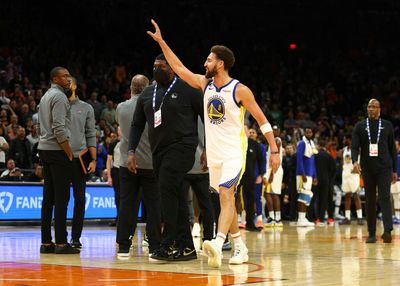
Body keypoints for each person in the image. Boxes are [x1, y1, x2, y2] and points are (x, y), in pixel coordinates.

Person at [147, 19, 280, 268]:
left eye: (208, 60)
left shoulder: (240, 90)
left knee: (227, 195)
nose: (204, 63)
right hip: (215, 154)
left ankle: (218, 243)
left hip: (233, 153)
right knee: (224, 200)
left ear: (220, 63)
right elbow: (177, 67)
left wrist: (274, 149)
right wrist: (162, 42)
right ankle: (239, 246)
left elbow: (262, 121)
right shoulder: (204, 84)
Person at [128, 54, 203, 261]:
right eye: (154, 65)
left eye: (161, 65)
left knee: (166, 193)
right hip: (158, 152)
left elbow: (206, 118)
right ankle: (187, 247)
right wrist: (131, 151)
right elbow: (136, 125)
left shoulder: (188, 89)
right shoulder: (147, 94)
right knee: (176, 195)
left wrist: (207, 149)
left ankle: (167, 243)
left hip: (183, 148)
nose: (157, 68)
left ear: (172, 69)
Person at [116, 74, 161, 258]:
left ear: (132, 88)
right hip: (150, 163)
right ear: (147, 88)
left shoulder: (120, 108)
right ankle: (154, 246)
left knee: (127, 204)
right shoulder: (154, 107)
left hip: (127, 162)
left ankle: (124, 246)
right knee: (153, 206)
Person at [38, 67, 79, 254]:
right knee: (62, 198)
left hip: (44, 149)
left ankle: (46, 242)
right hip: (57, 150)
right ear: (55, 78)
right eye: (64, 76)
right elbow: (59, 128)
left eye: (69, 76)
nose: (68, 79)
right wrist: (69, 152)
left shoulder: (45, 96)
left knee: (48, 198)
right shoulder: (60, 97)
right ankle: (62, 242)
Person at [351, 99, 397, 243]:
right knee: (370, 200)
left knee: (385, 197)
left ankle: (388, 230)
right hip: (368, 168)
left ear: (379, 109)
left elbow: (393, 150)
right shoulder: (360, 126)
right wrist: (354, 161)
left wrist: (395, 170)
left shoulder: (387, 125)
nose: (371, 109)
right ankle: (371, 233)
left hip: (384, 168)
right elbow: (354, 146)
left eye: (374, 107)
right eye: (369, 107)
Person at [68, 77, 97, 248]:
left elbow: (90, 134)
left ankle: (76, 237)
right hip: (61, 159)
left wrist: (93, 159)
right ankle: (61, 237)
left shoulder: (86, 108)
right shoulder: (58, 105)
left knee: (79, 199)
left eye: (69, 82)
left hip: (79, 159)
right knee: (60, 200)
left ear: (75, 86)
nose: (66, 85)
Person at [182, 118, 215, 241]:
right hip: (201, 165)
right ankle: (208, 238)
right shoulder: (206, 115)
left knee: (182, 203)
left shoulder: (182, 112)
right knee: (206, 203)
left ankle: (184, 240)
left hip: (188, 164)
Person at [338, 134, 364, 225]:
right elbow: (343, 162)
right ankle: (347, 218)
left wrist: (359, 168)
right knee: (347, 196)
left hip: (354, 175)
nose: (344, 140)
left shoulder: (358, 149)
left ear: (349, 140)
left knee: (356, 196)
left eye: (345, 139)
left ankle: (360, 217)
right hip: (345, 175)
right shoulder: (344, 150)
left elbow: (362, 160)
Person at [295, 127, 318, 227]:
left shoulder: (311, 144)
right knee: (302, 196)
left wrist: (314, 176)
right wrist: (302, 173)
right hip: (303, 174)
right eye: (307, 131)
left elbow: (312, 162)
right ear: (304, 132)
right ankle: (300, 218)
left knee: (307, 196)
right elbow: (299, 159)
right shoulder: (302, 143)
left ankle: (303, 218)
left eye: (310, 131)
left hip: (310, 174)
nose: (309, 133)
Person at [263, 125, 284, 227]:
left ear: (279, 131)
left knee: (272, 194)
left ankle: (276, 217)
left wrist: (271, 173)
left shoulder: (277, 140)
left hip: (274, 169)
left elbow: (276, 158)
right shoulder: (273, 141)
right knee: (269, 194)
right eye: (273, 130)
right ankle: (274, 217)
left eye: (276, 130)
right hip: (271, 169)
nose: (274, 131)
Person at [313, 138, 336, 226]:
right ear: (325, 146)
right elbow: (334, 169)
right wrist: (331, 180)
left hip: (317, 180)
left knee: (319, 199)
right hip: (327, 181)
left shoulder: (315, 155)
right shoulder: (329, 155)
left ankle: (319, 218)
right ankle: (330, 218)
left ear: (318, 145)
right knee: (328, 199)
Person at [106, 128, 121, 226]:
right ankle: (118, 218)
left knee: (127, 197)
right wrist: (109, 177)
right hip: (116, 171)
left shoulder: (130, 143)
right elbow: (109, 161)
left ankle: (128, 219)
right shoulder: (113, 144)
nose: (120, 131)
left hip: (127, 172)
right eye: (119, 130)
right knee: (118, 196)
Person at [391, 140, 400, 225]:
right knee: (395, 199)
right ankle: (396, 216)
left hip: (399, 180)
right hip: (393, 181)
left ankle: (398, 216)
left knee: (398, 199)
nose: (396, 147)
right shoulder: (390, 157)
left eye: (397, 145)